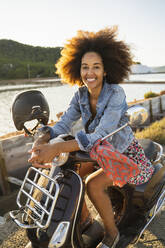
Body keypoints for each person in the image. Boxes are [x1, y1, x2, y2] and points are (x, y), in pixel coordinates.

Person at [29, 27, 155, 248]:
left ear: (106, 70)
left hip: (124, 154)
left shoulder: (115, 94)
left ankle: (112, 234)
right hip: (99, 152)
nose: (90, 73)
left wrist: (57, 148)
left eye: (96, 67)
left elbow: (100, 135)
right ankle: (84, 221)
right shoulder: (80, 95)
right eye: (85, 67)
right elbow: (64, 123)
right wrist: (43, 138)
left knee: (92, 184)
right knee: (70, 173)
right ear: (78, 69)